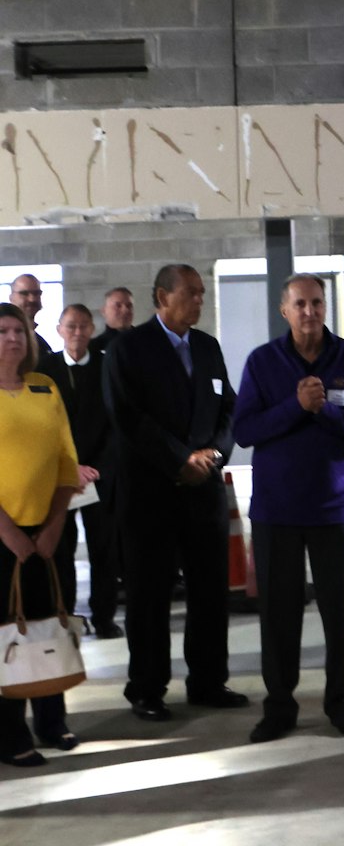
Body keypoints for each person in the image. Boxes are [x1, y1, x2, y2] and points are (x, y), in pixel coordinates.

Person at [233, 274, 344, 743]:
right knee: (278, 614)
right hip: (278, 511)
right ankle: (279, 707)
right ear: (284, 310)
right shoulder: (263, 362)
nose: (309, 312)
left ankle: (343, 702)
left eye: (317, 303)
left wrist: (325, 411)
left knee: (342, 614)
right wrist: (296, 406)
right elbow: (245, 431)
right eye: (300, 304)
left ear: (326, 307)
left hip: (340, 508)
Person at [103, 264, 246, 721]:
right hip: (150, 494)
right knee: (149, 596)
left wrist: (213, 457)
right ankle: (146, 687)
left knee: (210, 591)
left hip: (202, 492)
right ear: (162, 297)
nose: (199, 302)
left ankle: (208, 680)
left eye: (202, 294)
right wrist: (179, 459)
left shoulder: (208, 348)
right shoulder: (129, 348)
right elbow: (128, 418)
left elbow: (228, 409)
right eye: (191, 293)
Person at [0, 303, 82, 766]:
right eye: (2, 331)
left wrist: (53, 525)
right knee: (7, 633)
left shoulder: (43, 387)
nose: (12, 339)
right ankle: (9, 735)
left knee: (48, 622)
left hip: (47, 530)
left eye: (18, 331)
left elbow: (66, 463)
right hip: (3, 535)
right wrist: (8, 532)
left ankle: (53, 721)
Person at [36, 303, 121, 638]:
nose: (77, 333)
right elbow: (44, 427)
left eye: (83, 326)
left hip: (100, 475)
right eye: (70, 326)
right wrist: (71, 467)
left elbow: (117, 422)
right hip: (61, 476)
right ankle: (66, 614)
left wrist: (96, 467)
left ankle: (104, 617)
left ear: (92, 330)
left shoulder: (106, 365)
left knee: (104, 549)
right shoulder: (46, 369)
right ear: (59, 329)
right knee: (62, 548)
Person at [8, 273, 51, 361]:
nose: (32, 299)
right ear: (11, 298)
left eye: (37, 293)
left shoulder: (41, 344)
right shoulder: (6, 339)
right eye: (24, 293)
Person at [89, 287, 135, 354]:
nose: (125, 310)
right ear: (104, 311)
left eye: (129, 306)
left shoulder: (147, 341)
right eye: (118, 306)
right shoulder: (93, 348)